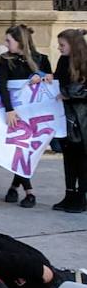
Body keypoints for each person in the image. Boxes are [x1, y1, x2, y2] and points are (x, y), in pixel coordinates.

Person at [0, 24, 53, 208]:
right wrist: (9, 109)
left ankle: (15, 186)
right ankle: (28, 191)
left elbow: (50, 81)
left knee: (28, 150)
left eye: (9, 41)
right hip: (16, 113)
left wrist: (44, 77)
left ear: (20, 42)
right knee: (19, 149)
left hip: (36, 113)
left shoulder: (41, 59)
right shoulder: (6, 60)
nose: (6, 44)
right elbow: (2, 85)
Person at [55, 29, 87, 212]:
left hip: (82, 119)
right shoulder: (63, 61)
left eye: (62, 45)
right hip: (66, 118)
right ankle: (69, 194)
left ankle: (81, 196)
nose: (59, 49)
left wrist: (69, 93)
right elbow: (58, 82)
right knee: (68, 158)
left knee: (82, 159)